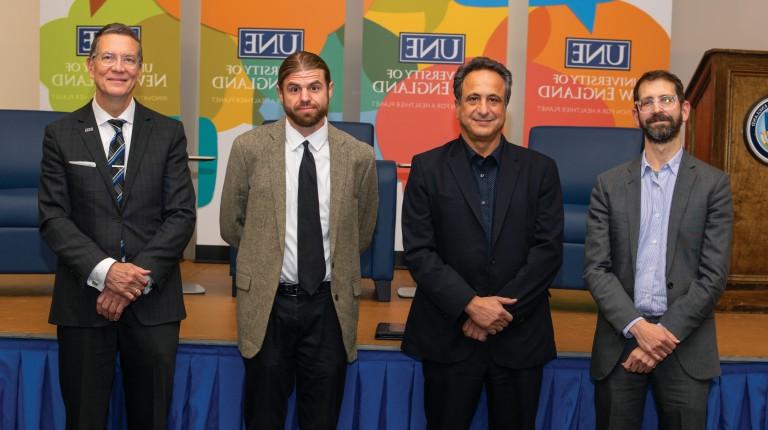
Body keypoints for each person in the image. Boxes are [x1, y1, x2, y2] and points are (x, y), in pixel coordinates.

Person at [38, 23, 196, 429]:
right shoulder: (60, 135)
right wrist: (108, 273)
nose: (118, 67)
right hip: (83, 304)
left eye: (129, 59)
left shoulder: (168, 132)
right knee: (84, 419)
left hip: (153, 303)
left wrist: (133, 282)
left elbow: (181, 215)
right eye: (108, 57)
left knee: (151, 418)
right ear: (91, 67)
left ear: (140, 70)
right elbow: (54, 218)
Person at [401, 56, 564, 430]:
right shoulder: (427, 167)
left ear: (506, 106)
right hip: (448, 336)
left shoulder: (541, 169)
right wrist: (470, 306)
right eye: (473, 99)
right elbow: (420, 251)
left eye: (494, 100)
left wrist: (498, 314)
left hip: (519, 338)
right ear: (457, 105)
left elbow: (548, 250)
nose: (483, 109)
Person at [220, 51, 378, 430]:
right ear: (280, 93)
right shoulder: (249, 148)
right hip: (267, 305)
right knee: (263, 416)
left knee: (321, 418)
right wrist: (267, 257)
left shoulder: (359, 156)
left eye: (313, 87)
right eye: (294, 89)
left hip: (329, 306)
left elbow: (362, 230)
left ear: (330, 90)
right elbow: (231, 224)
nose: (305, 97)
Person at [584, 70, 733, 429]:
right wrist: (638, 328)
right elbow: (596, 269)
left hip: (685, 345)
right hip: (620, 344)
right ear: (636, 115)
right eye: (647, 102)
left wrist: (660, 336)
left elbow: (713, 276)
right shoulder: (608, 184)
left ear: (684, 109)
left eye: (665, 100)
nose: (657, 109)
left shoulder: (713, 185)